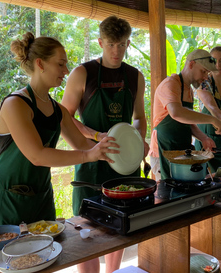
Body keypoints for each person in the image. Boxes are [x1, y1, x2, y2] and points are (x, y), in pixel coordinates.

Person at [0, 32, 118, 272]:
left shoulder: (57, 109)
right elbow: (37, 155)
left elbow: (83, 146)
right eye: (60, 64)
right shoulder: (15, 104)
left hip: (40, 193)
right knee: (4, 262)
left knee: (42, 259)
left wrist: (110, 149)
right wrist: (88, 155)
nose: (65, 70)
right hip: (6, 195)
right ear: (40, 64)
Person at [61, 15, 148, 273]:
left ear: (128, 44)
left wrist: (139, 139)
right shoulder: (82, 73)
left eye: (121, 45)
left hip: (125, 164)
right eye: (111, 44)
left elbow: (139, 117)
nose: (116, 51)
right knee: (86, 230)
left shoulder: (134, 76)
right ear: (100, 42)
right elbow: (64, 116)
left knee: (120, 226)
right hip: (90, 161)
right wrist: (94, 135)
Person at [150, 48, 221, 180]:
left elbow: (187, 122)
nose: (205, 77)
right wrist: (213, 120)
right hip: (163, 151)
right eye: (203, 71)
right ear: (191, 64)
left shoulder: (188, 90)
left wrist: (203, 138)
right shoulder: (171, 84)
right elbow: (177, 113)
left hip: (181, 152)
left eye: (207, 73)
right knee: (168, 194)